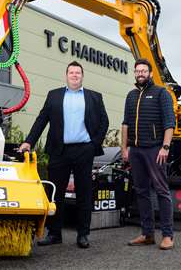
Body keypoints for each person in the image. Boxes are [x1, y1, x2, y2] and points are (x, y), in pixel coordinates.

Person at [19, 61, 109, 249]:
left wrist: (94, 145)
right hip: (59, 150)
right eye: (71, 72)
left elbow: (104, 122)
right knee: (55, 193)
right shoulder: (54, 96)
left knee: (84, 193)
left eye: (78, 72)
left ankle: (83, 235)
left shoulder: (94, 97)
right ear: (66, 75)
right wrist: (29, 141)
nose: (75, 75)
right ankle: (54, 233)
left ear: (82, 76)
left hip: (84, 150)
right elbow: (42, 120)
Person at [121, 58, 176, 250]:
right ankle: (147, 234)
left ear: (151, 73)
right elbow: (125, 124)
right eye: (138, 71)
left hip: (155, 149)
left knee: (161, 190)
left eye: (144, 71)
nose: (141, 74)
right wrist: (124, 149)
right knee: (141, 191)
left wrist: (165, 147)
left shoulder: (162, 93)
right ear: (135, 73)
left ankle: (168, 235)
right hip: (135, 150)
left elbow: (170, 123)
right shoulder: (131, 95)